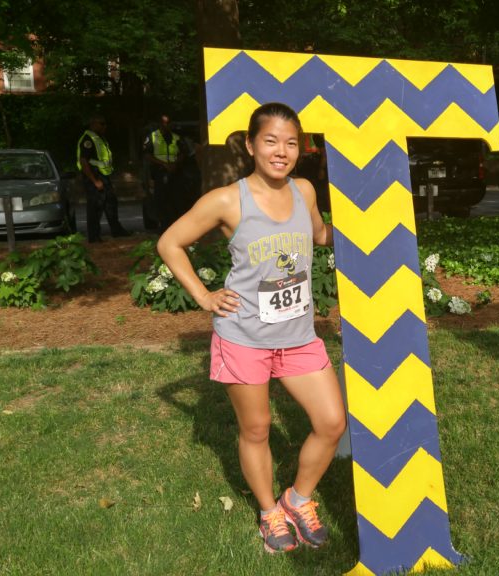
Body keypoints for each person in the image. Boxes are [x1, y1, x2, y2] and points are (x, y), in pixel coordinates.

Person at [157, 103, 344, 554]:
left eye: (292, 142)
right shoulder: (227, 199)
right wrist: (204, 296)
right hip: (244, 338)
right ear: (250, 144)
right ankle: (269, 512)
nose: (282, 151)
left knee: (332, 422)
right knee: (257, 429)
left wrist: (374, 222)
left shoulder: (304, 191)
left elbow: (320, 235)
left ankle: (298, 498)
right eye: (271, 140)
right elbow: (170, 242)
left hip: (298, 337)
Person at [77, 114, 129, 242]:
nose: (104, 126)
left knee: (111, 203)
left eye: (105, 123)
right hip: (94, 177)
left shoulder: (100, 138)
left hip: (104, 176)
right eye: (101, 123)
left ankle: (117, 231)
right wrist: (94, 181)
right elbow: (84, 161)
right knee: (95, 207)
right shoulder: (88, 139)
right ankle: (94, 237)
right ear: (93, 124)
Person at [143, 114, 186, 230]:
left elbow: (183, 153)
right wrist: (163, 164)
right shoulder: (152, 137)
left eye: (169, 123)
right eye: (164, 123)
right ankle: (163, 226)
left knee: (175, 200)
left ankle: (176, 225)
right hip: (159, 172)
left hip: (175, 172)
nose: (167, 125)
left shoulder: (176, 137)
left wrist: (175, 164)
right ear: (160, 124)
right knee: (160, 200)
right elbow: (147, 155)